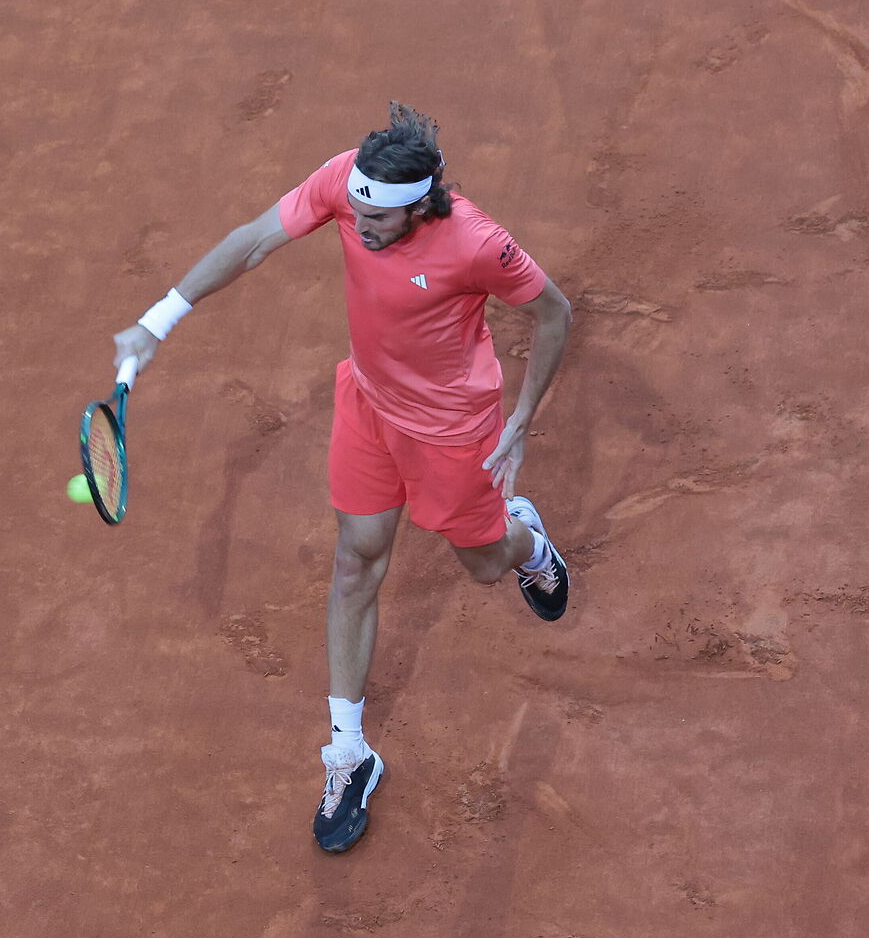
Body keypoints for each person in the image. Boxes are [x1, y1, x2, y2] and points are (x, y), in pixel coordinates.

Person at [112, 103, 574, 853]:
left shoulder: (477, 244)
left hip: (454, 429)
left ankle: (530, 545)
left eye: (378, 220)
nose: (358, 226)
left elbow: (554, 315)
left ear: (421, 204)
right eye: (353, 207)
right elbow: (255, 240)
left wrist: (521, 420)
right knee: (356, 561)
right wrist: (158, 320)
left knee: (486, 564)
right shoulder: (348, 184)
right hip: (367, 404)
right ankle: (348, 753)